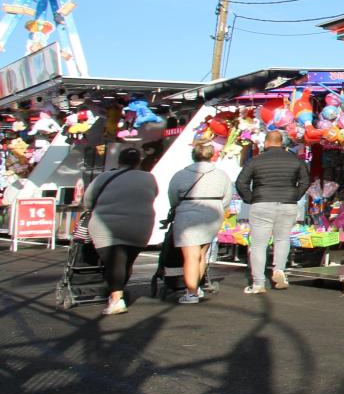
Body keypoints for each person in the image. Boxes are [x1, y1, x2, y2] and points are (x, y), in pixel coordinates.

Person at [81, 147, 159, 316]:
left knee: (114, 262)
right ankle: (116, 294)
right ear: (138, 162)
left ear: (119, 161)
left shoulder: (104, 177)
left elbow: (88, 200)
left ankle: (116, 300)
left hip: (107, 224)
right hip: (141, 225)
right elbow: (153, 195)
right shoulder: (149, 178)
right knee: (126, 262)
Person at [235, 130, 310, 294]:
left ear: (266, 142)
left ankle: (258, 283)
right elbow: (305, 181)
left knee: (259, 245)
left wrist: (250, 198)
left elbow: (241, 183)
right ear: (282, 142)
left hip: (262, 203)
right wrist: (295, 196)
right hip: (288, 204)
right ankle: (279, 270)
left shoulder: (255, 160)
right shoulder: (295, 160)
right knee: (282, 240)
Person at [167, 140, 233, 304]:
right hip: (213, 214)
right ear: (211, 155)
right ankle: (196, 288)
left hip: (188, 214)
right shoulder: (221, 175)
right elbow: (227, 198)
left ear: (193, 155)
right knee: (201, 254)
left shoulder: (181, 174)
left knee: (191, 256)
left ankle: (191, 293)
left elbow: (173, 198)